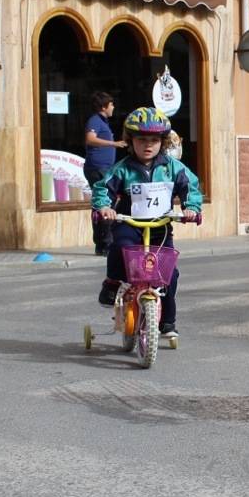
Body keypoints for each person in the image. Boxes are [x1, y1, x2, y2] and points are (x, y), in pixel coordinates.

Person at [92, 108, 202, 340]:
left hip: (159, 227)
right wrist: (104, 207)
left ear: (162, 142)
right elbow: (103, 187)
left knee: (169, 275)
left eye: (154, 140)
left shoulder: (172, 167)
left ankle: (168, 322)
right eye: (142, 140)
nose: (148, 145)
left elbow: (191, 186)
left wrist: (191, 208)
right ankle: (112, 281)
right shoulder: (122, 168)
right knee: (119, 247)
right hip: (129, 223)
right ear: (131, 140)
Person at [83, 92, 126, 255]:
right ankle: (104, 243)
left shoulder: (103, 122)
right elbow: (90, 139)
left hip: (105, 168)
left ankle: (103, 244)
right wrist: (113, 143)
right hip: (97, 168)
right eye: (111, 104)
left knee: (103, 204)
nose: (113, 107)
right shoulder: (95, 120)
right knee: (104, 204)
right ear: (103, 107)